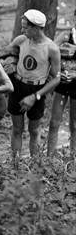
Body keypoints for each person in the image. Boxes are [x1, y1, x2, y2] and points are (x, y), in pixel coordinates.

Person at [6, 10, 61, 159]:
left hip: (38, 89)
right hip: (18, 86)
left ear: (36, 28)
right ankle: (15, 167)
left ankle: (35, 167)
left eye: (25, 27)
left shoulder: (51, 48)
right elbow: (6, 55)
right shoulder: (21, 40)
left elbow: (56, 78)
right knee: (17, 129)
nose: (22, 30)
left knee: (34, 130)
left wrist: (35, 96)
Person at [47, 9, 76, 156]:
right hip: (62, 84)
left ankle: (73, 158)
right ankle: (48, 160)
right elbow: (50, 49)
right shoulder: (66, 35)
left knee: (74, 125)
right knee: (54, 123)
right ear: (74, 19)